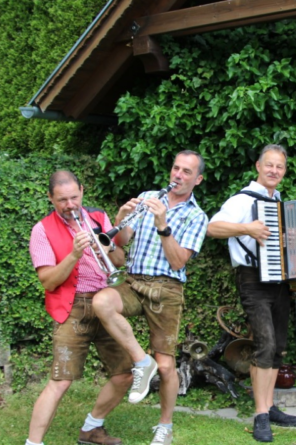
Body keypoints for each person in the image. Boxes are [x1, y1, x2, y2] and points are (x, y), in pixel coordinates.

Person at [92, 150, 208, 445]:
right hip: (134, 281)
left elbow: (178, 262)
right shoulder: (147, 197)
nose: (178, 175)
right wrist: (121, 217)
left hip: (167, 288)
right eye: (176, 168)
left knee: (166, 366)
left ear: (197, 179)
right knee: (101, 302)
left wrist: (163, 225)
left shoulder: (197, 216)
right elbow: (121, 242)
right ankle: (142, 362)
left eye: (186, 172)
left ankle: (165, 427)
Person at [26, 170, 132, 445]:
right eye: (62, 200)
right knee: (61, 381)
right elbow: (48, 281)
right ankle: (33, 443)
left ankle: (91, 429)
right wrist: (74, 254)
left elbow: (120, 259)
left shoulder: (97, 217)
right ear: (50, 198)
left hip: (105, 301)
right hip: (72, 307)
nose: (70, 205)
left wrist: (107, 248)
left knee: (124, 375)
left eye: (74, 197)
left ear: (82, 191)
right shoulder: (42, 230)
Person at [207, 144, 296, 443]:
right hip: (252, 279)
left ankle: (270, 406)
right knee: (265, 343)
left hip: (280, 281)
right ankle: (261, 414)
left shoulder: (282, 204)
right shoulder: (242, 200)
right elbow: (212, 227)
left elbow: (289, 246)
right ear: (258, 167)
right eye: (269, 165)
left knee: (278, 347)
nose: (274, 170)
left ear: (284, 171)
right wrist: (247, 228)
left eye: (280, 166)